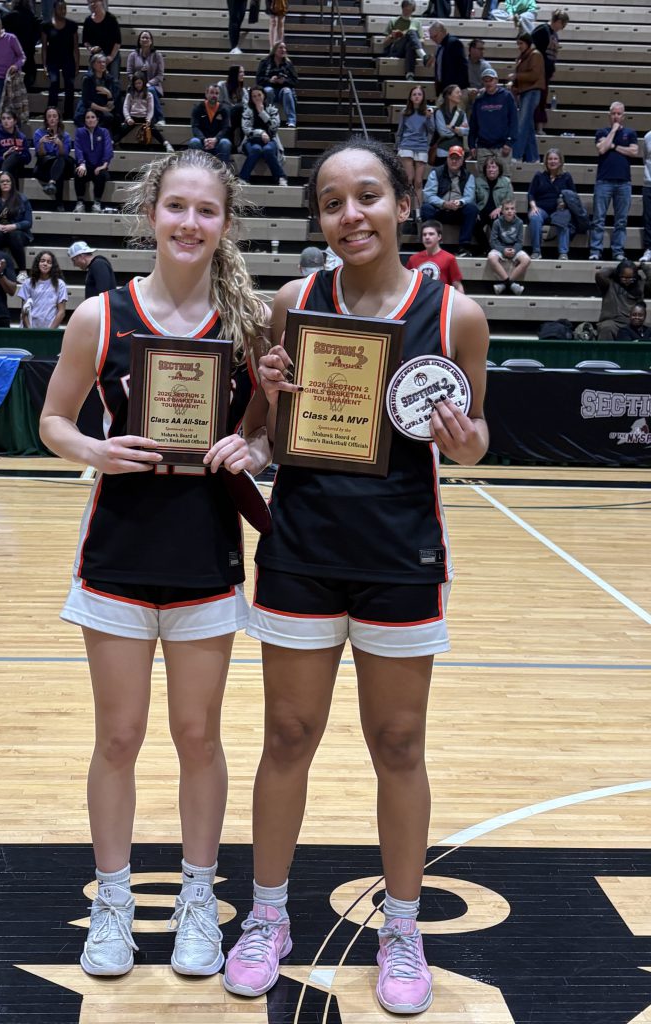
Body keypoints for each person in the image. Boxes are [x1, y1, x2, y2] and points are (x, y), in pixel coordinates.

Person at [223, 135, 488, 1015]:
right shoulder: (293, 303)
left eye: (368, 196)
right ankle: (267, 917)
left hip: (401, 555)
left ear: (402, 204)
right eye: (332, 203)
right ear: (321, 219)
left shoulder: (454, 316)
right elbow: (265, 437)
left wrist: (465, 441)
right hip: (301, 549)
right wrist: (251, 429)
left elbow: (479, 438)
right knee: (287, 739)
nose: (351, 215)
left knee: (399, 746)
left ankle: (402, 927)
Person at [39, 148, 271, 981]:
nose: (189, 223)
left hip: (208, 557)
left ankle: (199, 902)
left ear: (225, 225)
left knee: (199, 735)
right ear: (150, 215)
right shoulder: (98, 318)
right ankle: (111, 901)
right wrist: (98, 450)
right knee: (119, 736)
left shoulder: (249, 327)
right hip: (117, 558)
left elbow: (266, 432)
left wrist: (252, 444)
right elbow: (53, 423)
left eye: (206, 211)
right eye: (176, 207)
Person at [589, 102, 639, 262]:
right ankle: (596, 250)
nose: (616, 116)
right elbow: (602, 149)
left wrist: (615, 145)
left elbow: (634, 152)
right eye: (613, 113)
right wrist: (613, 131)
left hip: (624, 182)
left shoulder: (630, 133)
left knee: (621, 220)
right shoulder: (601, 132)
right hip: (604, 181)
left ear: (623, 116)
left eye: (619, 114)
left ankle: (618, 251)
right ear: (609, 115)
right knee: (598, 219)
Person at [421, 145, 478, 257]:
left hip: (458, 211)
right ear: (447, 159)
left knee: (472, 208)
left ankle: (464, 247)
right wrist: (444, 204)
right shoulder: (436, 173)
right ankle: (432, 245)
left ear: (462, 160)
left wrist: (460, 202)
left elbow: (469, 197)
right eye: (452, 158)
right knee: (426, 208)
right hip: (440, 210)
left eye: (457, 158)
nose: (454, 161)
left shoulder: (468, 176)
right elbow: (428, 195)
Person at [0, 170, 33, 278]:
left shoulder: (22, 199)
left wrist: (13, 226)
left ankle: (23, 271)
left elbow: (28, 222)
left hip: (19, 233)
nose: (5, 183)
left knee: (14, 235)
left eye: (7, 181)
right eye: (2, 182)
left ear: (12, 183)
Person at [527, 147, 576, 260]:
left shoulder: (566, 176)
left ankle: (563, 253)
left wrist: (565, 204)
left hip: (560, 209)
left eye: (555, 159)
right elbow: (531, 194)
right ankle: (536, 251)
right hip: (541, 208)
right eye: (550, 159)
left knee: (564, 217)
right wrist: (533, 206)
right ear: (546, 161)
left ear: (560, 161)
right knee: (534, 217)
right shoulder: (539, 175)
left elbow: (573, 195)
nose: (552, 161)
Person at [395, 84, 433, 211]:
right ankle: (407, 209)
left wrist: (428, 119)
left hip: (421, 147)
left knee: (418, 182)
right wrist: (398, 147)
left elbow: (432, 130)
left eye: (419, 94)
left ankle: (417, 211)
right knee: (409, 179)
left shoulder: (427, 113)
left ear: (423, 97)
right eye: (414, 94)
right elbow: (400, 131)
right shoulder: (405, 113)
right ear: (411, 98)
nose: (417, 97)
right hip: (407, 146)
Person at [239, 86, 287, 185]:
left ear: (264, 96)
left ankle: (280, 177)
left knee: (268, 150)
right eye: (254, 96)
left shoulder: (272, 109)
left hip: (270, 140)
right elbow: (246, 130)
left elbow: (274, 127)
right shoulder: (247, 111)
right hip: (251, 140)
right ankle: (243, 178)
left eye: (259, 95)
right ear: (251, 98)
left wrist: (262, 112)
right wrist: (261, 133)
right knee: (256, 149)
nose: (257, 98)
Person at [508, 33, 544, 165]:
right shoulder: (524, 56)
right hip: (525, 91)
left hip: (532, 91)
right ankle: (533, 157)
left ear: (527, 43)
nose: (519, 46)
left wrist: (517, 76)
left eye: (521, 43)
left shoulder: (535, 55)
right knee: (527, 125)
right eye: (518, 44)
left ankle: (517, 155)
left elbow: (534, 75)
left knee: (522, 124)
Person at [531, 9, 568, 134]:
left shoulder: (554, 34)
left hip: (545, 73)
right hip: (538, 72)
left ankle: (539, 127)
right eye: (562, 25)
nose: (562, 28)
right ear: (557, 21)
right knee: (537, 99)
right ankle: (534, 127)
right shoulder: (542, 30)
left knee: (542, 99)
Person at [41, 0, 79, 120]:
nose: (62, 11)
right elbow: (44, 47)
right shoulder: (46, 25)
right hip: (52, 60)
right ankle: (51, 113)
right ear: (54, 9)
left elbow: (75, 47)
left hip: (68, 59)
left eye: (64, 9)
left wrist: (77, 64)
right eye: (60, 8)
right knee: (54, 82)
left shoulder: (72, 25)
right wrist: (44, 65)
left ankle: (68, 114)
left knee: (70, 84)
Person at [595, 260, 651, 341]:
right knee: (607, 328)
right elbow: (600, 274)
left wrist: (642, 265)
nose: (627, 281)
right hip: (614, 323)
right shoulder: (609, 284)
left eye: (630, 278)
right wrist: (620, 268)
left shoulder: (640, 285)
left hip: (633, 324)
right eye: (624, 278)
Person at [0, 12, 26, 121]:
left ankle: (16, 135)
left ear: (1, 25)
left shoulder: (11, 38)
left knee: (14, 108)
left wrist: (16, 66)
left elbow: (22, 56)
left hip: (11, 77)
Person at [118, 73, 173, 153]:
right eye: (136, 83)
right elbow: (125, 107)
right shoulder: (130, 94)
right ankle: (113, 141)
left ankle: (166, 143)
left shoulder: (149, 94)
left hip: (145, 117)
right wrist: (128, 118)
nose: (138, 85)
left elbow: (151, 109)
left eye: (139, 83)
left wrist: (149, 119)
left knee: (153, 129)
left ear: (143, 82)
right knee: (123, 129)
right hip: (133, 117)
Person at [33, 105, 74, 210]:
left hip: (61, 164)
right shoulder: (39, 133)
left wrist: (60, 144)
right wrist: (41, 143)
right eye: (49, 116)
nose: (52, 118)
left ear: (58, 118)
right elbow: (41, 155)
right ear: (46, 119)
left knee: (60, 160)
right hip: (45, 166)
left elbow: (64, 154)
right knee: (57, 169)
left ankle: (52, 184)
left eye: (54, 116)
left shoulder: (65, 136)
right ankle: (59, 203)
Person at [486, 198, 530, 294]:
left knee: (526, 259)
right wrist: (503, 250)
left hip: (514, 248)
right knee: (491, 257)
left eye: (512, 208)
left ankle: (504, 285)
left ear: (515, 210)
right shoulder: (497, 222)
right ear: (502, 211)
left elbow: (520, 242)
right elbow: (493, 242)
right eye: (506, 209)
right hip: (500, 248)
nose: (509, 211)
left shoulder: (519, 222)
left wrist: (514, 250)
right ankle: (510, 283)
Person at [74, 108, 113, 213]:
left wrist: (104, 165)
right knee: (78, 172)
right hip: (86, 165)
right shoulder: (80, 132)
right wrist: (81, 163)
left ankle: (97, 203)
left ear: (97, 119)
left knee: (101, 175)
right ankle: (80, 202)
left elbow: (108, 149)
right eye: (88, 117)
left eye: (92, 117)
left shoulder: (104, 132)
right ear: (85, 120)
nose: (90, 120)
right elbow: (78, 150)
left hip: (100, 166)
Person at [407, 218, 464, 290]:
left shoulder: (449, 258)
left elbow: (457, 285)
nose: (427, 237)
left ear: (439, 237)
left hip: (440, 299)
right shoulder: (413, 259)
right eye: (424, 235)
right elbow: (407, 283)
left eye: (431, 234)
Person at [126, 31, 166, 126]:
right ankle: (128, 119)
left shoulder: (157, 55)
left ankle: (160, 118)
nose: (145, 39)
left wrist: (148, 84)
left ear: (151, 41)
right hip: (136, 85)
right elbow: (129, 73)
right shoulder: (133, 55)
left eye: (147, 38)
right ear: (139, 40)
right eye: (142, 38)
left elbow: (160, 75)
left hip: (153, 86)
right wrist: (137, 80)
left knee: (150, 90)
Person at [19, 249, 68, 327]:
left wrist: (49, 332)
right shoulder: (27, 283)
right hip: (30, 329)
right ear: (38, 263)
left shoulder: (60, 284)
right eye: (42, 261)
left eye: (49, 262)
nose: (45, 264)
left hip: (50, 330)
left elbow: (61, 312)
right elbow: (24, 311)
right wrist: (29, 330)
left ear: (52, 266)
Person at [473, 153, 513, 247]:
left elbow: (509, 200)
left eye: (494, 167)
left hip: (497, 211)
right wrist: (475, 211)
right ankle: (486, 248)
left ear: (499, 169)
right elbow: (472, 199)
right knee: (473, 223)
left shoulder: (506, 182)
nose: (491, 170)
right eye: (489, 167)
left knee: (496, 222)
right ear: (485, 169)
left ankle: (498, 249)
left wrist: (500, 208)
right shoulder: (478, 181)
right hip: (481, 211)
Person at [74, 51, 120, 131]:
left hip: (101, 106)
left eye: (104, 62)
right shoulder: (87, 78)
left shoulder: (109, 79)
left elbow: (111, 101)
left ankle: (109, 140)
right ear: (93, 64)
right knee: (84, 118)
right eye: (99, 62)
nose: (102, 64)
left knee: (115, 118)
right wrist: (103, 109)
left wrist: (109, 94)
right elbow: (86, 101)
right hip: (88, 107)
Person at [255, 42, 298, 128]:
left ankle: (291, 120)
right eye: (280, 48)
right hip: (270, 88)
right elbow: (258, 79)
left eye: (284, 48)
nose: (283, 50)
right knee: (268, 90)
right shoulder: (265, 62)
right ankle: (267, 118)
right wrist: (270, 80)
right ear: (275, 50)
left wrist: (284, 81)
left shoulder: (288, 64)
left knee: (287, 91)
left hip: (283, 90)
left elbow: (295, 81)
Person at [188, 84, 232, 165]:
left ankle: (223, 173)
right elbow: (195, 127)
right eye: (212, 93)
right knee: (194, 142)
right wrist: (203, 139)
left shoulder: (224, 109)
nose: (214, 95)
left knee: (226, 143)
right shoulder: (198, 107)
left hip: (217, 142)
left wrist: (216, 139)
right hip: (203, 142)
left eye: (216, 93)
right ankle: (196, 171)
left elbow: (226, 128)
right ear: (206, 94)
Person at [2, 0, 40, 94]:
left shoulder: (7, 17)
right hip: (27, 53)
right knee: (26, 80)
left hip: (11, 54)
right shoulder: (31, 17)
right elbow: (38, 29)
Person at [0, 108, 31, 186]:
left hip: (17, 166)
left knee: (15, 155)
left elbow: (28, 158)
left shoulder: (21, 137)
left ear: (15, 121)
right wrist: (4, 156)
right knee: (11, 166)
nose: (5, 121)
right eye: (3, 118)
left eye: (9, 118)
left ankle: (2, 174)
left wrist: (18, 154)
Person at [382, 0, 427, 79]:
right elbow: (384, 44)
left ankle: (410, 74)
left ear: (413, 10)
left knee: (410, 42)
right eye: (405, 9)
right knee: (411, 32)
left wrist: (412, 38)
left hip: (410, 49)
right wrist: (392, 36)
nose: (407, 12)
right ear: (402, 8)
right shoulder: (394, 21)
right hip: (397, 49)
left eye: (409, 10)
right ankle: (423, 56)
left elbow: (422, 42)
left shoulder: (417, 22)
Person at [81, 0, 122, 79]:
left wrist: (110, 57)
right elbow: (85, 41)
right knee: (91, 79)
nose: (92, 4)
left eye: (95, 1)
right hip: (96, 56)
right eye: (90, 2)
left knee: (114, 81)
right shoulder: (88, 21)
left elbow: (117, 41)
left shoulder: (111, 19)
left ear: (101, 2)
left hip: (112, 54)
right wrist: (91, 49)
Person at [428, 22, 468, 98]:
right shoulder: (439, 47)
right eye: (431, 37)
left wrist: (457, 89)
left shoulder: (454, 43)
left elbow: (463, 67)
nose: (433, 40)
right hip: (443, 90)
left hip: (454, 90)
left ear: (442, 32)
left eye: (435, 36)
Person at [434, 84, 468, 166]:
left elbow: (467, 131)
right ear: (449, 96)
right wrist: (459, 130)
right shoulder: (439, 112)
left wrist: (453, 128)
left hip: (458, 151)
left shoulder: (462, 113)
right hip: (443, 150)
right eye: (457, 92)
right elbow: (443, 132)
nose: (460, 94)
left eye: (460, 92)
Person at [218, 64, 247, 149]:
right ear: (234, 73)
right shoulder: (222, 85)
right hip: (225, 114)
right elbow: (219, 103)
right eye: (240, 72)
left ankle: (241, 143)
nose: (243, 74)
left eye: (243, 72)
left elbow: (246, 105)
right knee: (238, 109)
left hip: (238, 118)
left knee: (242, 111)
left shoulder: (243, 90)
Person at [467, 37, 492, 105]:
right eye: (480, 49)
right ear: (472, 49)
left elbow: (491, 84)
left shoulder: (486, 66)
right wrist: (468, 91)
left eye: (483, 49)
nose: (482, 51)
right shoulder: (462, 64)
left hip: (481, 93)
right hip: (466, 93)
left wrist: (479, 91)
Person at [642, 128, 651, 264]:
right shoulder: (648, 136)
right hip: (649, 183)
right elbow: (645, 158)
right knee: (648, 219)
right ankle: (649, 249)